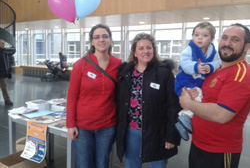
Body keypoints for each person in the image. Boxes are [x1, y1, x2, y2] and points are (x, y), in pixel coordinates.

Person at [180, 23, 250, 168]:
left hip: (219, 151)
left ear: (247, 47)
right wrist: (194, 94)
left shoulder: (240, 74)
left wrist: (189, 104)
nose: (227, 43)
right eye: (224, 38)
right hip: (199, 144)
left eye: (235, 40)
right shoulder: (216, 69)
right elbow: (207, 98)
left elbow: (222, 114)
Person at [116, 33, 181, 168]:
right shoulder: (126, 73)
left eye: (149, 47)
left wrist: (171, 135)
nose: (145, 51)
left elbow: (173, 106)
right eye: (141, 48)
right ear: (134, 52)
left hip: (157, 133)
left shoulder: (164, 73)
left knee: (158, 165)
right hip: (131, 133)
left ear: (154, 50)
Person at [66, 24, 122, 168]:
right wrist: (70, 124)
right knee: (84, 164)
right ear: (92, 41)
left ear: (110, 39)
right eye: (97, 37)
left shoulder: (119, 65)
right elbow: (72, 96)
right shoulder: (81, 64)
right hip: (83, 127)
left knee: (102, 164)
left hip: (108, 126)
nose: (101, 40)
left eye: (105, 36)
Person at [174, 22, 221, 141]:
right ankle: (184, 117)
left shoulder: (213, 52)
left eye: (205, 35)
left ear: (212, 39)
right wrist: (195, 66)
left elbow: (218, 63)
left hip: (198, 81)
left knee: (199, 97)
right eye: (196, 35)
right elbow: (184, 63)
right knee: (197, 96)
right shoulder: (189, 50)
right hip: (186, 81)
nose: (200, 38)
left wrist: (211, 66)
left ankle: (184, 125)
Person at [0, 39, 15, 105]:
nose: (3, 45)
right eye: (2, 44)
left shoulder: (4, 52)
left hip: (2, 72)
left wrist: (9, 70)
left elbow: (7, 62)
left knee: (4, 85)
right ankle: (7, 100)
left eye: (4, 44)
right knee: (4, 85)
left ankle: (7, 100)